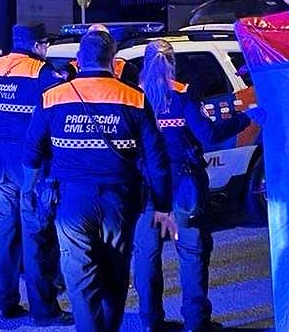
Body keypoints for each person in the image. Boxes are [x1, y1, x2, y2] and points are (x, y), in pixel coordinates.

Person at [24, 30, 178, 332]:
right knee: (115, 274)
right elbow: (156, 159)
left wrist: (30, 189)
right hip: (119, 203)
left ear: (79, 59)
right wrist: (163, 205)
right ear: (113, 59)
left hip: (72, 203)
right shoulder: (133, 98)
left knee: (81, 281)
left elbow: (31, 151)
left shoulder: (53, 97)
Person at [132, 39, 260, 332]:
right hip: (183, 184)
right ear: (172, 63)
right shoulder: (183, 95)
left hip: (147, 185)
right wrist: (243, 120)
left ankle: (151, 321)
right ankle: (196, 321)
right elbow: (209, 135)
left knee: (147, 255)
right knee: (191, 252)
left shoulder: (135, 97)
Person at [0, 23, 69, 325]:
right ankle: (44, 311)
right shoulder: (41, 73)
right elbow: (59, 112)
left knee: (5, 232)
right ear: (38, 45)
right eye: (44, 44)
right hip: (29, 160)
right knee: (36, 235)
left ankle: (5, 302)